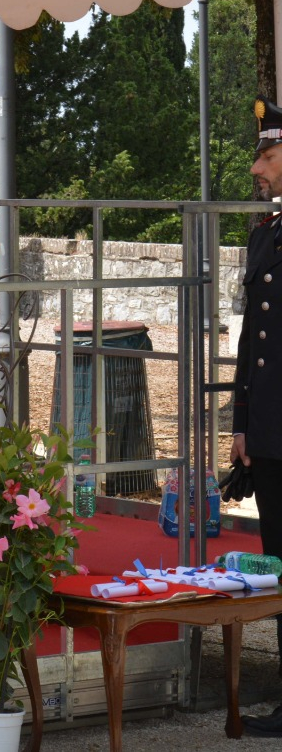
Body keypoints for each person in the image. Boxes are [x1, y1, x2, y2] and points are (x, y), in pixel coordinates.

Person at [234, 97, 282, 737]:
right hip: (270, 432)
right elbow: (254, 341)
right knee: (278, 560)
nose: (256, 168)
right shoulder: (265, 233)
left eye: (267, 155)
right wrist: (242, 424)